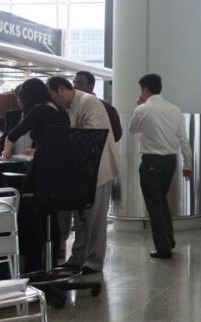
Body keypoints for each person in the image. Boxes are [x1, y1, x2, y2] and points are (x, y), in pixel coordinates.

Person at [48, 76, 119, 274]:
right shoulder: (72, 105)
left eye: (54, 96)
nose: (54, 101)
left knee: (95, 219)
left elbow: (91, 135)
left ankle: (94, 261)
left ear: (61, 89)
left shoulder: (89, 102)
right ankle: (77, 258)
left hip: (99, 169)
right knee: (81, 218)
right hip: (83, 170)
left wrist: (62, 144)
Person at [4, 78, 70, 272]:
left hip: (43, 176)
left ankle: (32, 266)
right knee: (50, 216)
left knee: (25, 210)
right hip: (62, 178)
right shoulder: (61, 112)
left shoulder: (40, 110)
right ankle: (49, 265)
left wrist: (6, 153)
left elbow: (12, 135)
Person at [129, 73, 192, 259]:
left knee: (154, 205)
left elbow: (133, 129)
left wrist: (138, 107)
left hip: (151, 161)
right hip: (170, 161)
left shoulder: (142, 109)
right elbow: (183, 138)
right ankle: (169, 239)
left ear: (145, 90)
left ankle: (163, 248)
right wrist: (188, 163)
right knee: (161, 200)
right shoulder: (175, 109)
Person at [72, 71, 123, 143]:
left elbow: (117, 134)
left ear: (91, 86)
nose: (75, 86)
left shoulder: (107, 108)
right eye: (74, 82)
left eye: (79, 83)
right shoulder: (71, 106)